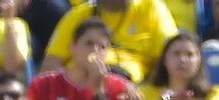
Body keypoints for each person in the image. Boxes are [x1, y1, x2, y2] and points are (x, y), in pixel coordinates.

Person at [40, 0, 173, 82]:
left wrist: (144, 89)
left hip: (132, 90)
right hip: (80, 88)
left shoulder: (151, 8)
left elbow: (170, 57)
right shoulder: (79, 14)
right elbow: (51, 63)